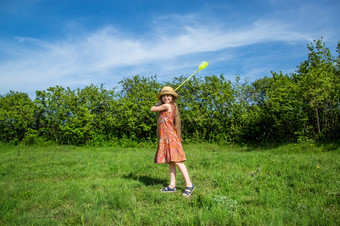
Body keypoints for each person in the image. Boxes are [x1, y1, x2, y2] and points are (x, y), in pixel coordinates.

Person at [150, 86, 195, 198]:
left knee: (177, 161)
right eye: (164, 96)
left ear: (172, 97)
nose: (166, 97)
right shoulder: (168, 105)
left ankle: (189, 184)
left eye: (168, 95)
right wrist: (162, 99)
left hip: (170, 138)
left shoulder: (167, 105)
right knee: (171, 161)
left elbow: (152, 108)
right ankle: (172, 185)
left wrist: (160, 101)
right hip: (166, 138)